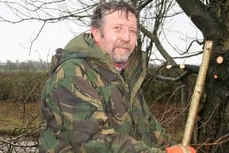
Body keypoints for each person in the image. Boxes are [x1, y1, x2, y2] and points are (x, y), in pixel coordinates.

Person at [39, 1, 196, 153]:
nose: (127, 38)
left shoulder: (126, 76)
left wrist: (175, 148)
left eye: (132, 31)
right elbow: (93, 141)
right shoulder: (72, 73)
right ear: (96, 33)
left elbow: (149, 128)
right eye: (117, 28)